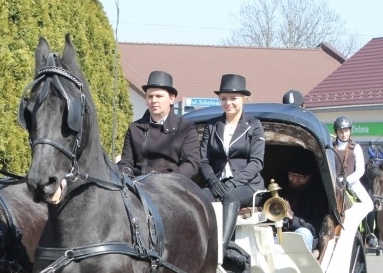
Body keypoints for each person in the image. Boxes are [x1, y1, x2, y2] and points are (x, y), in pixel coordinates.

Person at [199, 74, 265, 247]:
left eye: (233, 98)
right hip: (218, 182)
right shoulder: (212, 125)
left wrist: (234, 183)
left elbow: (256, 162)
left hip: (248, 185)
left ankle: (221, 248)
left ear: (244, 99)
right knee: (198, 197)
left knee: (230, 197)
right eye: (223, 99)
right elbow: (204, 160)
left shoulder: (254, 125)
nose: (228, 103)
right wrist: (213, 181)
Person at [117, 71, 201, 179]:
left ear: (172, 99)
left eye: (159, 96)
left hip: (171, 187)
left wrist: (166, 181)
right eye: (150, 96)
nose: (154, 100)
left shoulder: (185, 128)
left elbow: (191, 164)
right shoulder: (135, 128)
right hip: (138, 187)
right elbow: (126, 162)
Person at [331, 117, 373, 245]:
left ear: (350, 131)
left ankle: (369, 234)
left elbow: (360, 170)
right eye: (340, 131)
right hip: (334, 182)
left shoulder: (356, 147)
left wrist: (347, 181)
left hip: (352, 183)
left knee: (370, 205)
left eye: (346, 131)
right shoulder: (331, 148)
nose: (344, 134)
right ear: (337, 132)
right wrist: (336, 180)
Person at [279, 151, 328, 253]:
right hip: (279, 230)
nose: (295, 180)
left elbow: (315, 227)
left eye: (300, 177)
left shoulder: (318, 195)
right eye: (292, 175)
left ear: (309, 177)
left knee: (303, 233)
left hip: (303, 234)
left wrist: (292, 217)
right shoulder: (281, 188)